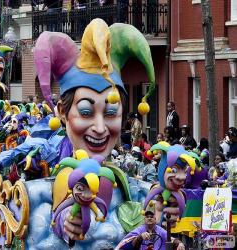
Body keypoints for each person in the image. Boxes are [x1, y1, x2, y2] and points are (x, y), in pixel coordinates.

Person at [33, 19, 156, 246]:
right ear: (62, 112)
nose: (100, 128)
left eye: (110, 113)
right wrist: (64, 220)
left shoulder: (125, 181)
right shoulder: (62, 175)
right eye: (86, 112)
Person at [116, 201, 185, 250]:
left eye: (151, 217)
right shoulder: (140, 230)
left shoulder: (160, 230)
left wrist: (179, 243)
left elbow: (170, 239)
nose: (149, 218)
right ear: (144, 219)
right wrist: (140, 237)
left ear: (155, 219)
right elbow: (130, 242)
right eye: (147, 217)